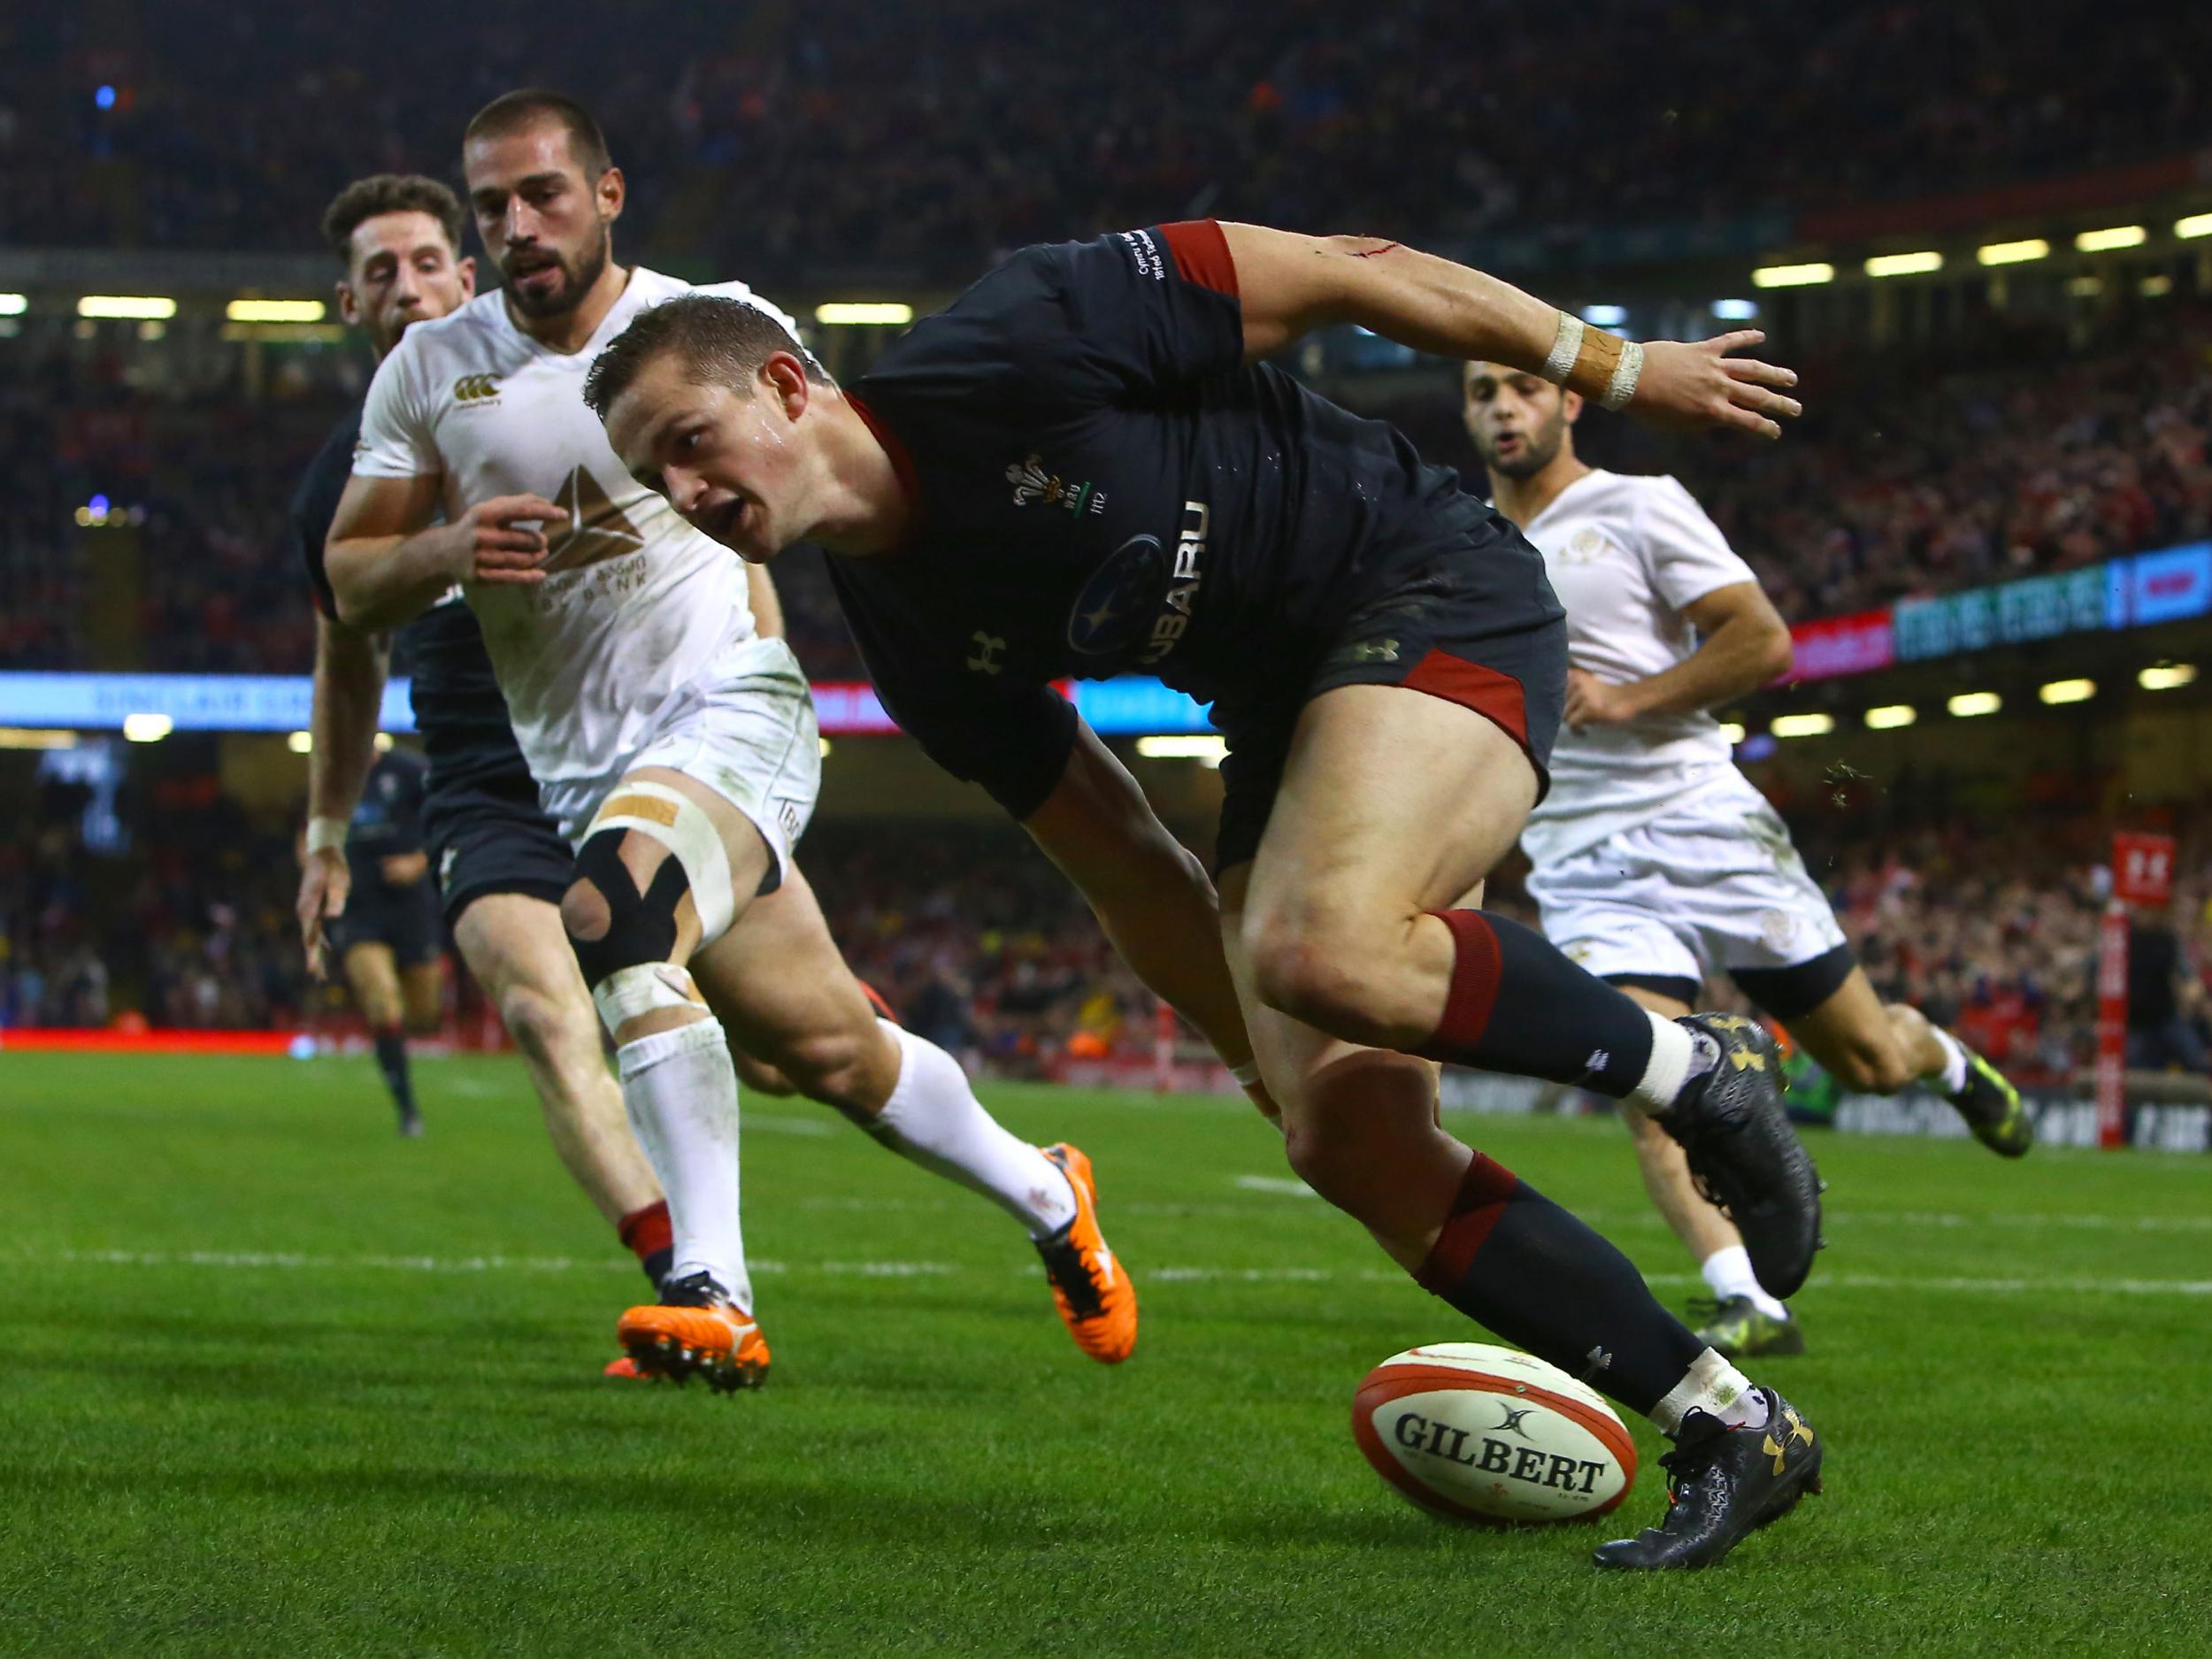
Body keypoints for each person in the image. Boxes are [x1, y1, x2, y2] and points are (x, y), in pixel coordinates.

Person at [586, 221, 1826, 1568]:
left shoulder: (1025, 326)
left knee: (1316, 940)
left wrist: (1619, 365)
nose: (684, 487)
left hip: (1431, 581)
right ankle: (1731, 1421)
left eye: (690, 437)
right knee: (1345, 1138)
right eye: (656, 473)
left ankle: (1696, 1066)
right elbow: (1117, 851)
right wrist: (1255, 1058)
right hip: (1291, 708)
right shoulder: (908, 640)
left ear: (782, 382)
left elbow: (1354, 265)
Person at [324, 93, 1131, 1391]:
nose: (521, 224)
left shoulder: (709, 323)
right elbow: (350, 580)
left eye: (546, 194)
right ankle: (1050, 1194)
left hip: (735, 708)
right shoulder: (429, 369)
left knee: (619, 921)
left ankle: (713, 1285)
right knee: (825, 1050)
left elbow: (828, 479)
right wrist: (439, 549)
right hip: (587, 770)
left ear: (608, 193)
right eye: (494, 205)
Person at [1460, 358, 2033, 1360]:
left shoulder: (1636, 507)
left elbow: (1762, 643)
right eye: (1480, 392)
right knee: (1652, 1079)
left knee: (1867, 1063)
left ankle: (1937, 1057)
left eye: (1522, 386)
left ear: (1568, 400)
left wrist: (1627, 700)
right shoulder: (1467, 544)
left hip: (1705, 824)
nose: (1503, 407)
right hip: (1580, 855)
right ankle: (1748, 1300)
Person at [292, 173, 682, 1360]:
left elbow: (720, 528)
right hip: (486, 775)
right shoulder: (343, 486)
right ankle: (689, 1280)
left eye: (424, 262)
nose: (404, 287)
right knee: (538, 1005)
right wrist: (323, 832)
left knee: (784, 1042)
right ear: (349, 305)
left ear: (467, 277)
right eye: (378, 273)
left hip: (635, 744)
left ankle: (1025, 1179)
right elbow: (345, 659)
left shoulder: (589, 399)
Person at [311, 742, 443, 1136]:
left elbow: (447, 818)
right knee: (382, 1001)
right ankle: (408, 1110)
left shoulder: (409, 770)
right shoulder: (330, 779)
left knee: (423, 1013)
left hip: (411, 906)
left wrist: (418, 862)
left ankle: (400, 1053)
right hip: (358, 906)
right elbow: (309, 832)